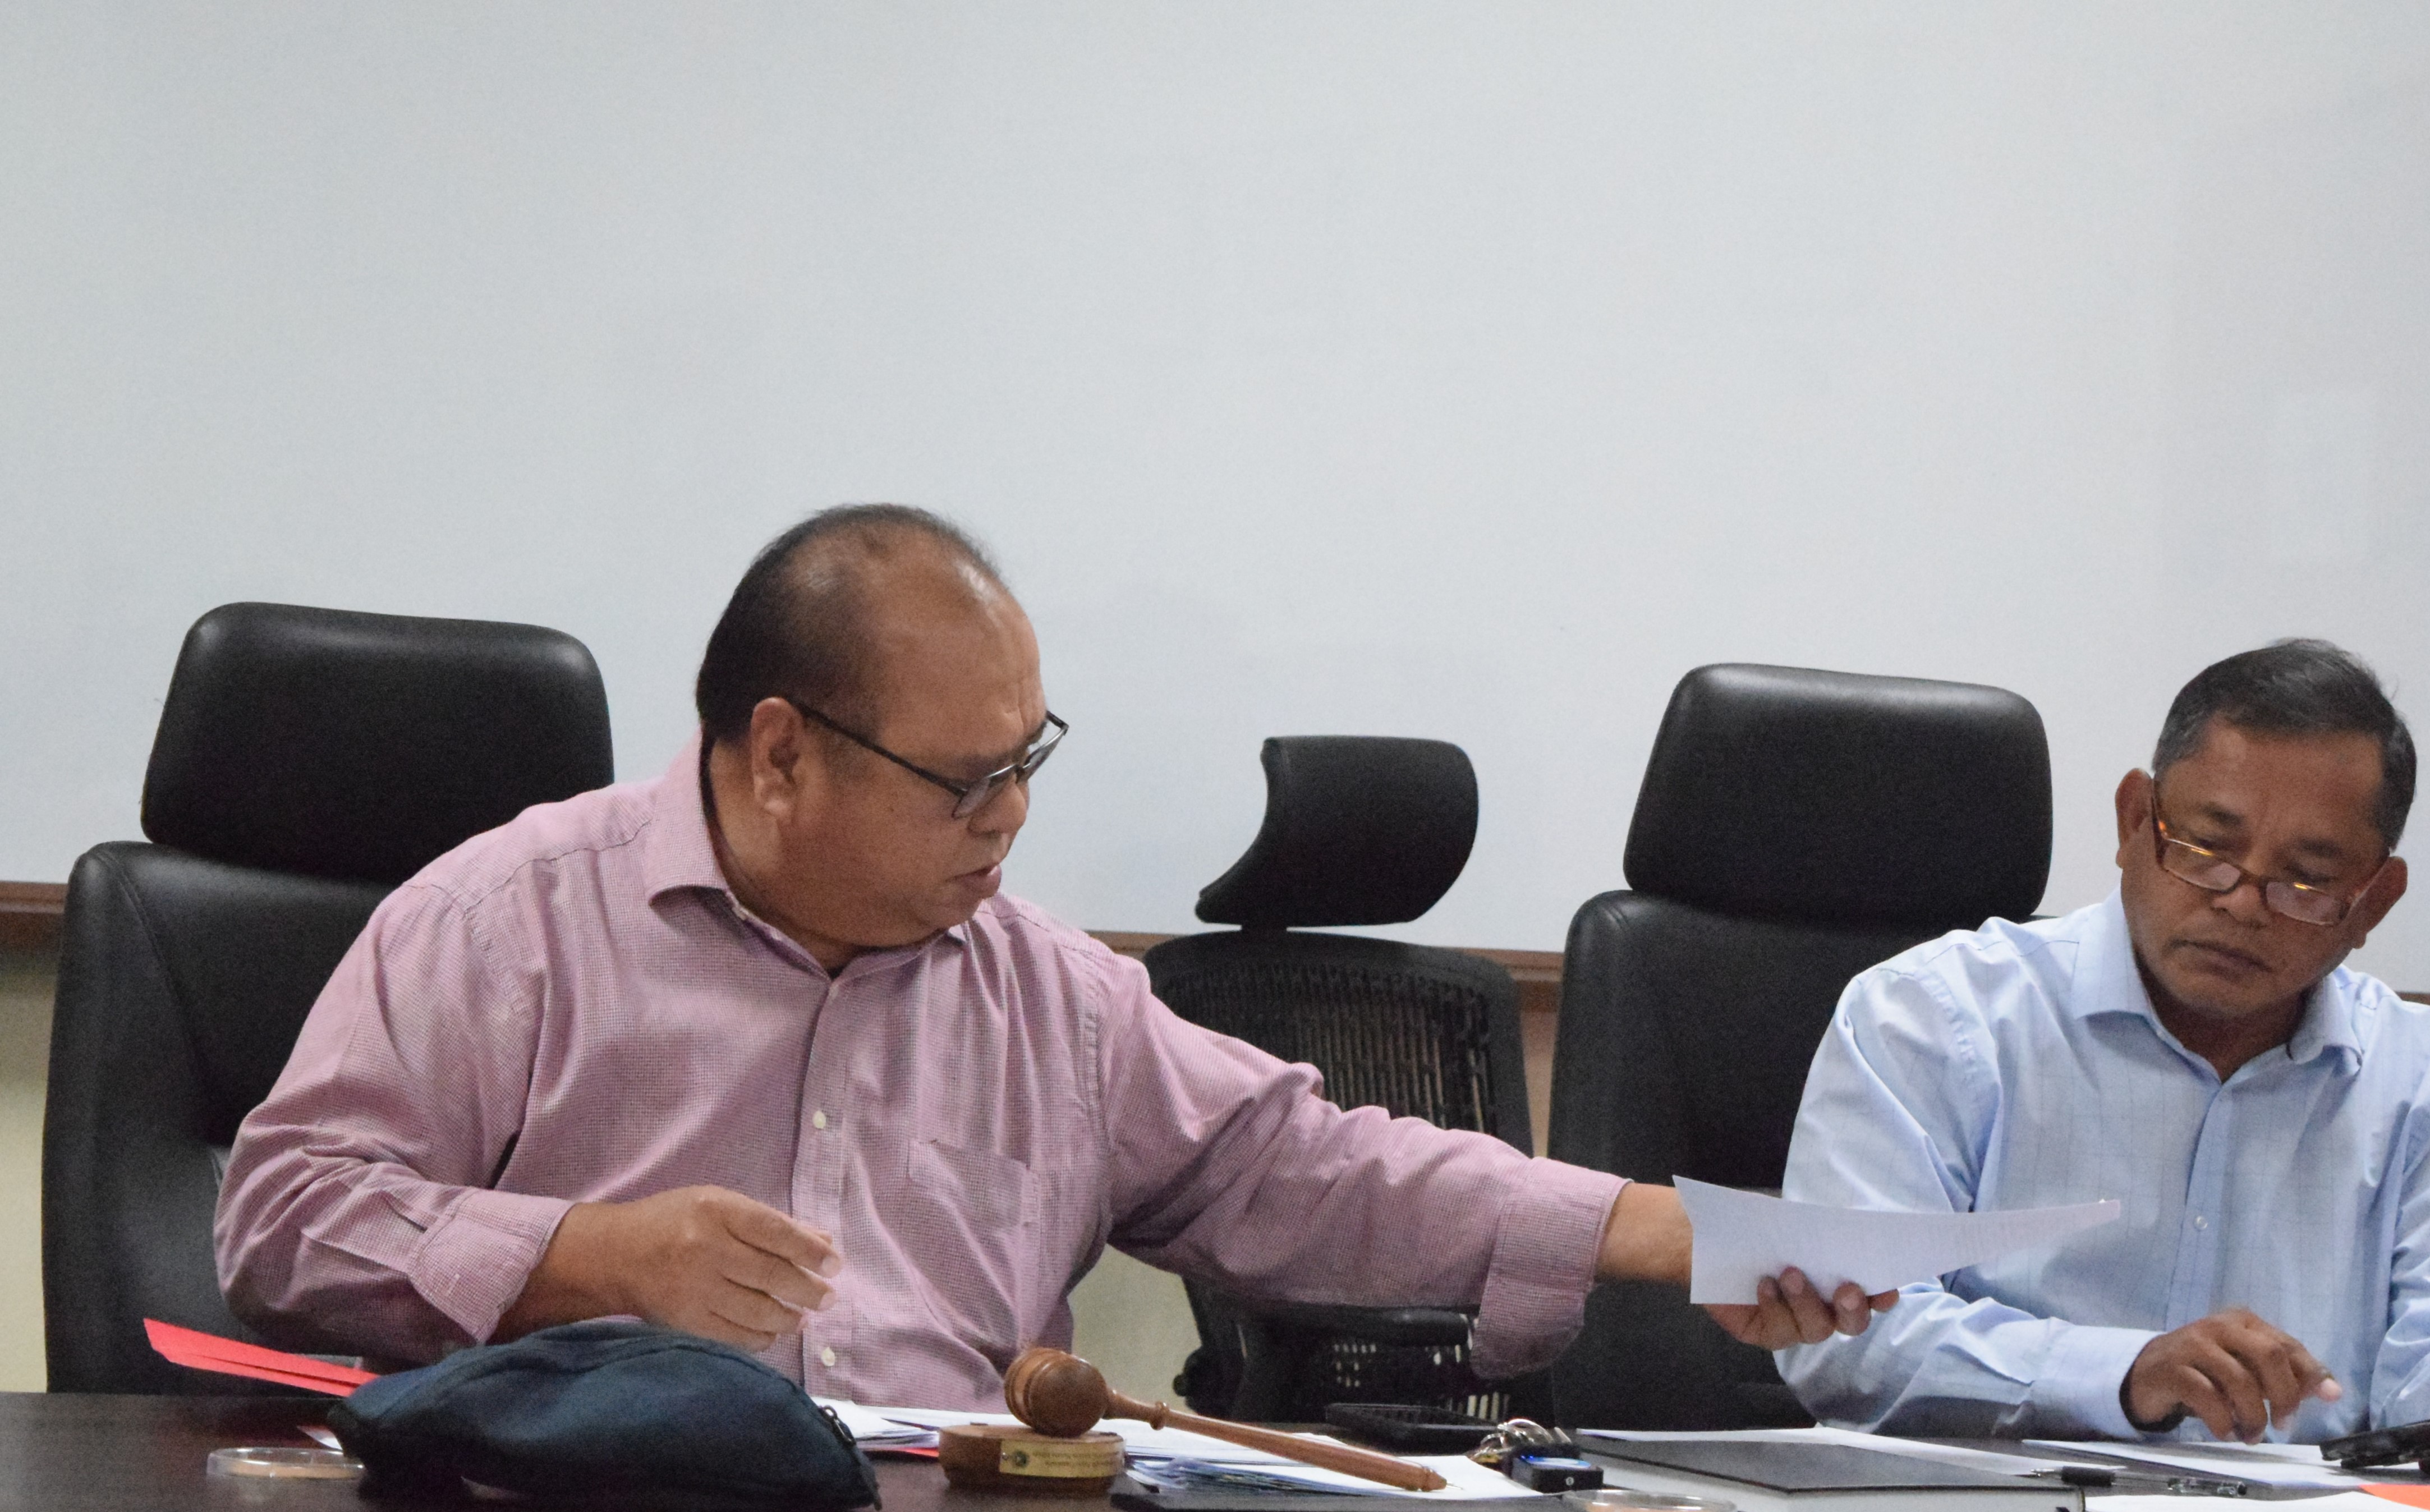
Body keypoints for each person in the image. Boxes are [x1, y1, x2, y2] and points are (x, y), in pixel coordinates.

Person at [215, 504, 1879, 1407]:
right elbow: (282, 1216)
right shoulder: (509, 921)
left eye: (1032, 755)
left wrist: (1670, 1231)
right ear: (778, 752)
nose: (1009, 815)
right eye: (964, 777)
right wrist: (584, 1253)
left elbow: (1312, 1171)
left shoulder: (1045, 990)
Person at [1772, 640, 2430, 1473]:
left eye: (2304, 879)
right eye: (2204, 847)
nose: (2238, 902)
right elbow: (1845, 1333)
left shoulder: (2425, 1082)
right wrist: (2121, 1373)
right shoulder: (1935, 1017)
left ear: (2372, 901)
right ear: (2132, 822)